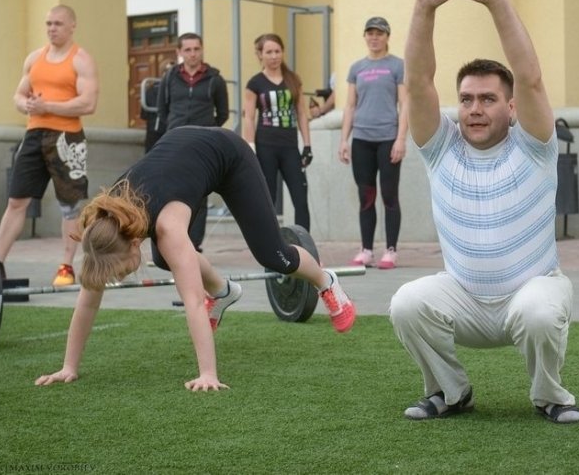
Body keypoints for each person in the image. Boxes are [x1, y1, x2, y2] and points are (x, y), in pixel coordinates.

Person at [389, 0, 579, 424]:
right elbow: (417, 82)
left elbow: (533, 80)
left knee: (540, 311)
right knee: (406, 303)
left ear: (511, 107)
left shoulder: (534, 145)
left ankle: (549, 396)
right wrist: (423, 8)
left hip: (530, 294)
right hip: (465, 298)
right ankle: (449, 392)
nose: (475, 108)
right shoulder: (441, 147)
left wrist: (496, 0)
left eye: (488, 99)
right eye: (467, 99)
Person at [34, 126, 356, 392]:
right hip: (182, 161)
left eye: (120, 271)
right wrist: (68, 367)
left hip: (227, 156)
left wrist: (208, 374)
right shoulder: (101, 229)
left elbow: (190, 300)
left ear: (134, 242)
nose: (118, 277)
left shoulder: (168, 228)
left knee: (274, 257)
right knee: (165, 259)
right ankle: (223, 291)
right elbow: (88, 300)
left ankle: (325, 282)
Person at [0, 4, 99, 286]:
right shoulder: (35, 59)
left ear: (71, 26)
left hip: (67, 138)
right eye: (48, 23)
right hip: (33, 135)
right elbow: (18, 95)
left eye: (57, 24)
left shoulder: (81, 60)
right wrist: (26, 103)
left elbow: (88, 103)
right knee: (16, 200)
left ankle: (66, 266)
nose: (52, 28)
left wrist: (47, 105)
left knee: (70, 204)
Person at [338, 17, 408, 270]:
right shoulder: (357, 68)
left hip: (388, 138)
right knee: (366, 196)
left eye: (379, 33)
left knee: (389, 196)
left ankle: (391, 250)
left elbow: (405, 103)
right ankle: (366, 249)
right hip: (362, 140)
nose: (374, 37)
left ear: (387, 36)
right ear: (365, 37)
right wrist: (344, 139)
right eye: (370, 33)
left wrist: (401, 138)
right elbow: (349, 105)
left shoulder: (397, 66)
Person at [154, 33, 229, 258]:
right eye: (187, 50)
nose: (193, 54)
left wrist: (207, 131)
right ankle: (173, 241)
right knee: (171, 192)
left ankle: (193, 245)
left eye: (196, 49)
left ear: (202, 50)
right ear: (179, 52)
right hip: (174, 142)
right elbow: (162, 110)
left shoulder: (215, 79)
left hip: (203, 144)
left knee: (199, 194)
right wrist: (174, 129)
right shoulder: (169, 77)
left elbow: (223, 113)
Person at [243, 34, 312, 231]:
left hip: (290, 147)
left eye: (277, 51)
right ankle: (271, 248)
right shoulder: (255, 83)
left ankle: (304, 246)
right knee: (268, 200)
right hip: (266, 147)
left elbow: (301, 113)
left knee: (300, 197)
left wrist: (307, 145)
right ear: (260, 55)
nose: (274, 56)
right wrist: (250, 148)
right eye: (269, 52)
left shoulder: (293, 79)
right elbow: (248, 117)